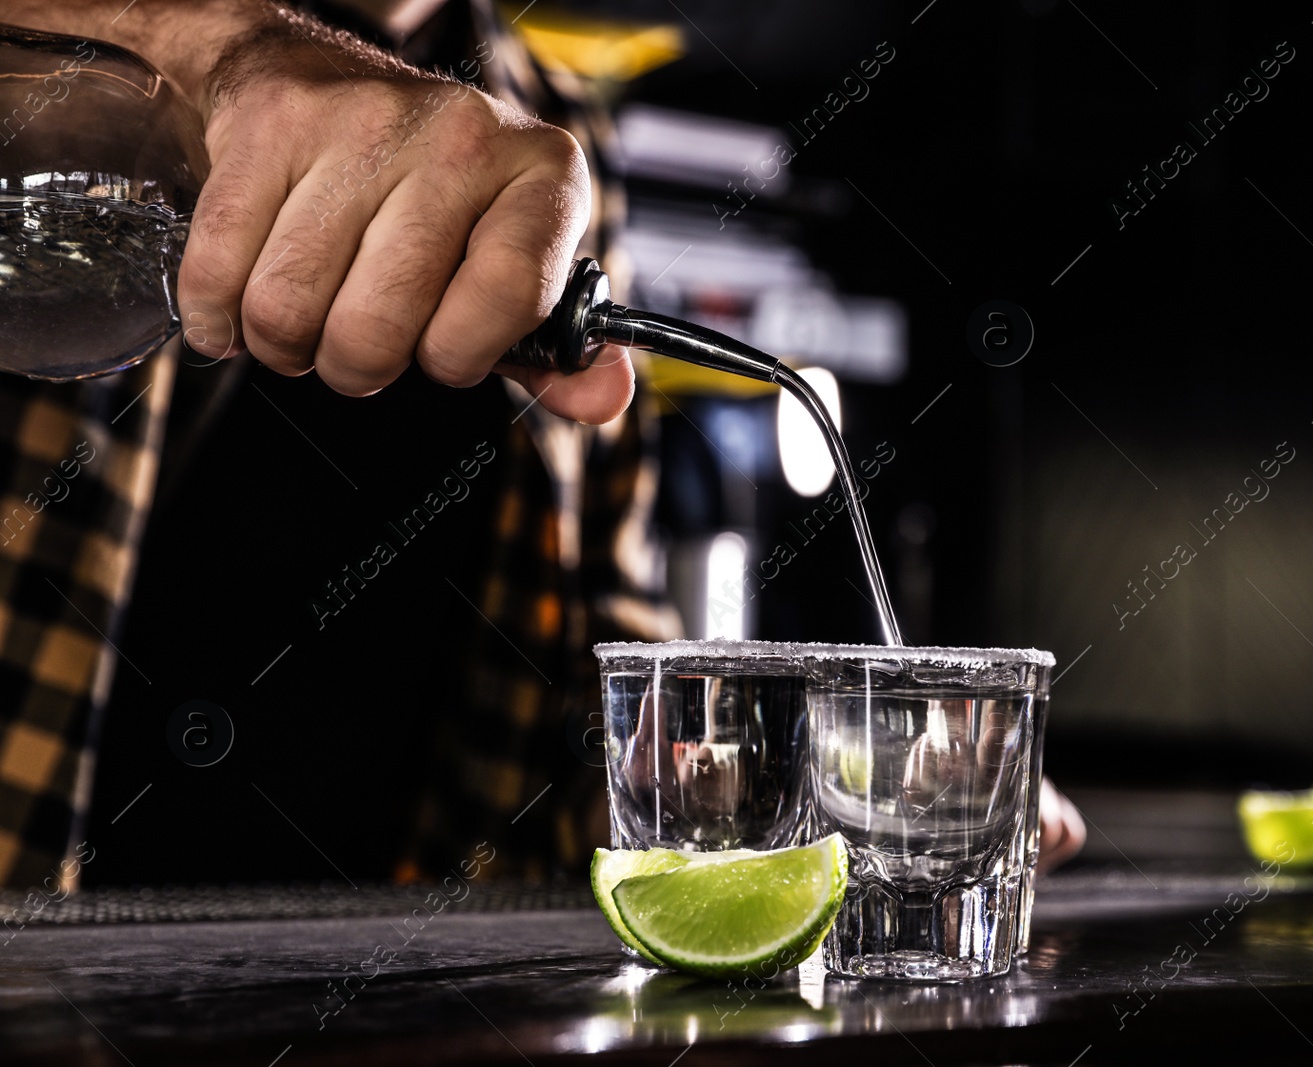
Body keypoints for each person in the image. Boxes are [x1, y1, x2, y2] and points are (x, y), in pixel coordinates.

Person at [0, 0, 1083, 889]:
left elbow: (578, 695)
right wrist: (211, 48)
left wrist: (803, 786)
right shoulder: (57, 63)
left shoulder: (552, 138)